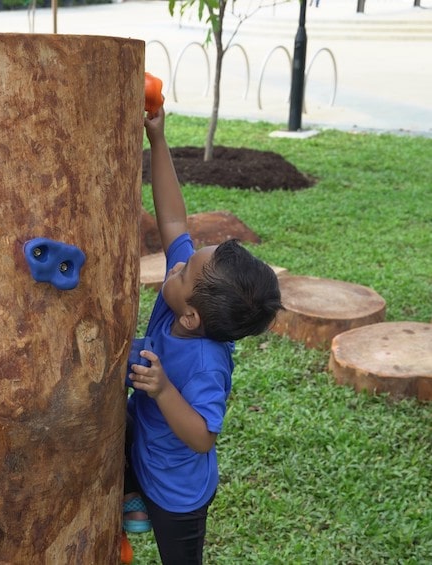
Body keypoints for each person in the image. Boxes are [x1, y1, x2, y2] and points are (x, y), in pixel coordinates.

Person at [123, 105, 282, 564]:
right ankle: (132, 496)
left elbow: (202, 438)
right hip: (143, 451)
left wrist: (164, 389)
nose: (176, 263)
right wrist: (158, 141)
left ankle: (143, 500)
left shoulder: (207, 366)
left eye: (184, 271)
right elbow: (174, 222)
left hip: (178, 493)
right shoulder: (186, 298)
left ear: (191, 317)